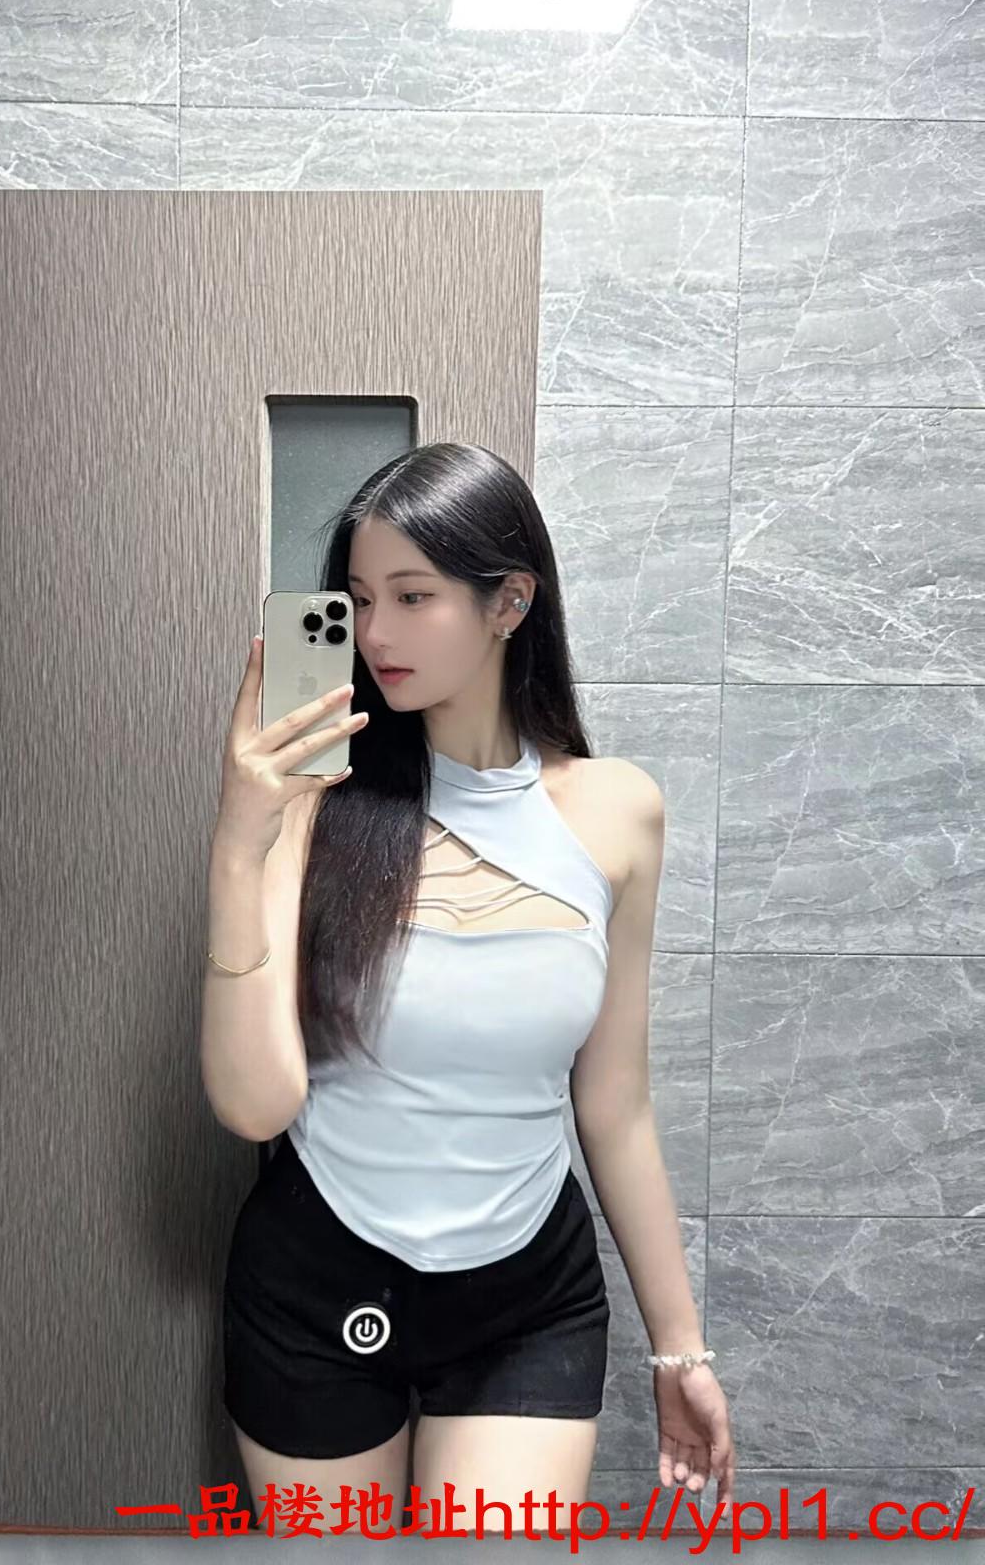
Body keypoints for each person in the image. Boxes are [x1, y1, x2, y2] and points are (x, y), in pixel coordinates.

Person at [201, 442, 735, 1534]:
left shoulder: (618, 812)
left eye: (413, 597)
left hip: (523, 1302)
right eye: (358, 600)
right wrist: (241, 840)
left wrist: (679, 1348)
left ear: (509, 602)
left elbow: (616, 1106)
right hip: (317, 1284)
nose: (375, 634)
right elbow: (255, 1106)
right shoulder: (317, 804)